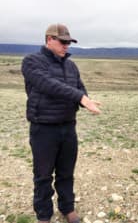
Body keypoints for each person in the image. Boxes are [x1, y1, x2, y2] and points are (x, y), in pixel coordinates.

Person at [21, 23, 101, 223]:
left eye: (69, 42)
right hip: (43, 128)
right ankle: (44, 215)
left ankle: (68, 208)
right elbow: (49, 85)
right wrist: (80, 98)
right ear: (49, 40)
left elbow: (79, 88)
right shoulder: (32, 62)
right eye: (63, 42)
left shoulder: (71, 65)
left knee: (66, 172)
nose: (67, 46)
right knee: (43, 175)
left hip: (68, 126)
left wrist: (86, 100)